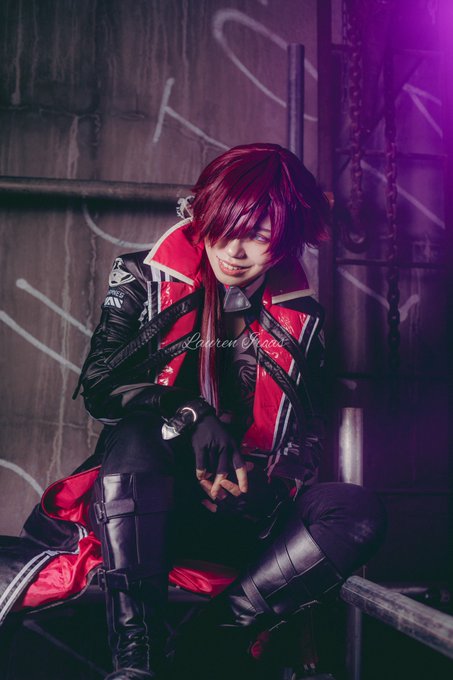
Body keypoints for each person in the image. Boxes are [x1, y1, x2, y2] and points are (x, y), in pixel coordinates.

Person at [73, 143, 386, 679]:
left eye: (259, 237)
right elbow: (101, 387)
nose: (235, 251)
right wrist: (189, 411)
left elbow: (309, 431)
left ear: (286, 241)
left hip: (242, 512)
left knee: (356, 510)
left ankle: (214, 638)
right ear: (203, 217)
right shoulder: (141, 278)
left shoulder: (304, 317)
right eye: (223, 227)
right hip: (147, 503)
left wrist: (269, 490)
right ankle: (137, 657)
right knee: (137, 433)